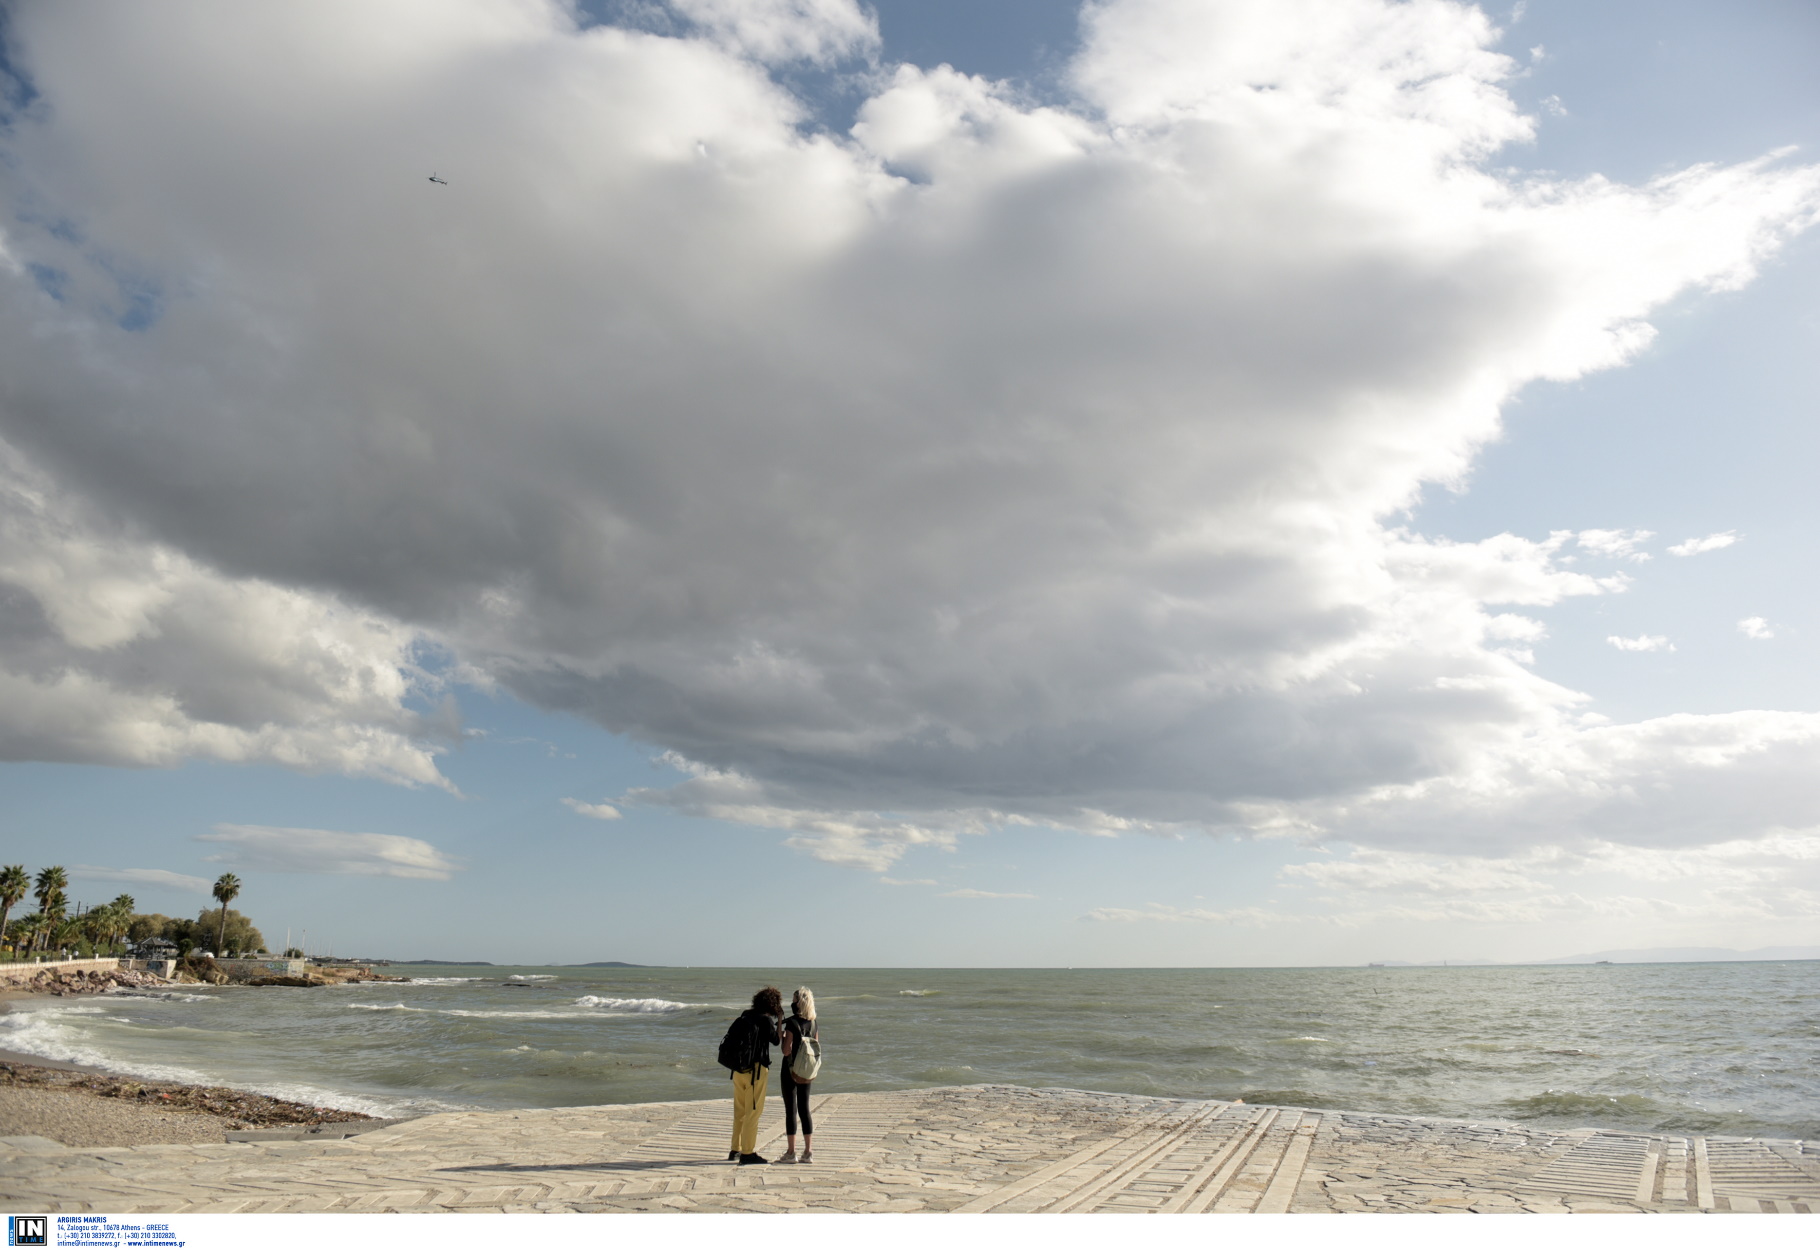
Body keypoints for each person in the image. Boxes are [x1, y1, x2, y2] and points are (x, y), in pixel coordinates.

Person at [728, 985, 783, 1165]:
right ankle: (748, 1153)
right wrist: (780, 1019)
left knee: (740, 1111)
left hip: (738, 1070)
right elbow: (776, 1041)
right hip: (756, 1072)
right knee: (754, 1111)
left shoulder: (745, 1015)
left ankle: (735, 1149)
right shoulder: (765, 1020)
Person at [777, 987, 818, 1164]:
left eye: (793, 1000)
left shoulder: (792, 1023)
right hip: (808, 1070)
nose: (791, 1003)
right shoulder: (814, 1023)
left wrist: (781, 1027)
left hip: (791, 1070)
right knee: (805, 1108)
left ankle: (791, 1152)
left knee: (791, 1110)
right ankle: (808, 1152)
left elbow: (786, 1051)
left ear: (798, 1002)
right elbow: (816, 1046)